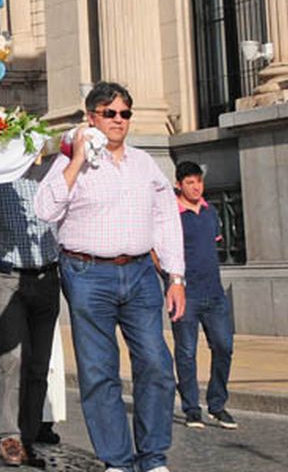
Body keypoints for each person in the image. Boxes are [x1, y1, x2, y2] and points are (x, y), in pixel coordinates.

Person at [34, 82, 184, 472]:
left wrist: (177, 276)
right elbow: (45, 210)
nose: (118, 120)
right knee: (100, 371)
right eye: (109, 113)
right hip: (87, 274)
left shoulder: (144, 163)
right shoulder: (71, 162)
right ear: (91, 117)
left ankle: (152, 458)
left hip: (139, 273)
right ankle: (116, 460)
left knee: (155, 363)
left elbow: (166, 218)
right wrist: (75, 159)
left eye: (125, 113)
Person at [0, 157, 61, 468]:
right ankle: (9, 435)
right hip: (5, 274)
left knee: (39, 362)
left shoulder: (53, 172)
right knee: (13, 356)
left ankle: (27, 437)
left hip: (46, 274)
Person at [172, 160, 236, 431]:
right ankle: (191, 409)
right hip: (186, 295)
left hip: (215, 294)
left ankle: (217, 405)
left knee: (224, 346)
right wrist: (171, 282)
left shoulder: (211, 213)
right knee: (186, 353)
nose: (196, 187)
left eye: (198, 181)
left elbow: (213, 245)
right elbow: (156, 249)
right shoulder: (172, 215)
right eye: (190, 182)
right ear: (179, 185)